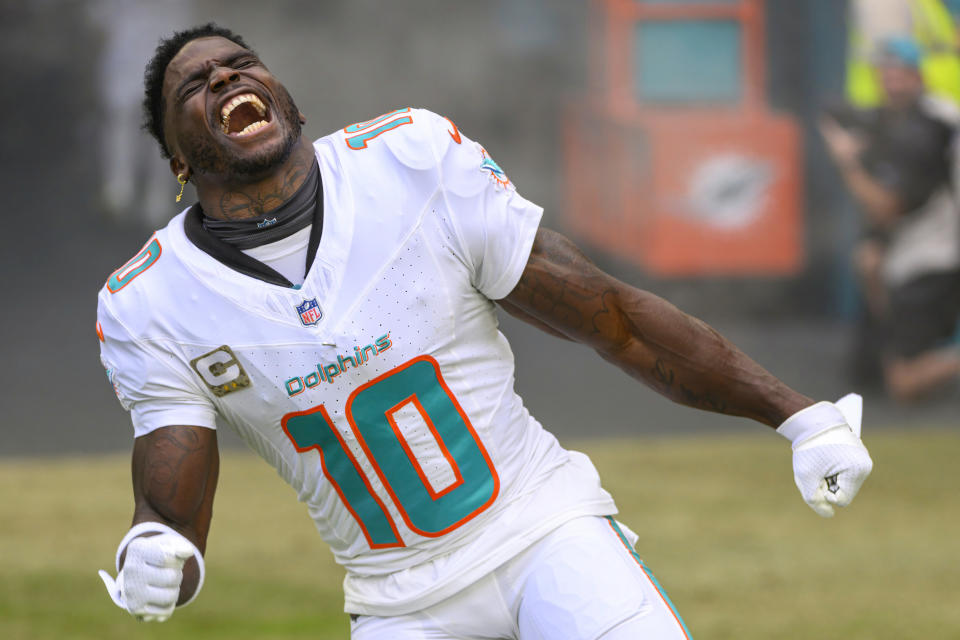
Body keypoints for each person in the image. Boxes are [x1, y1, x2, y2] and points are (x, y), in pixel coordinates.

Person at [96, 23, 873, 639]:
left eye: (239, 63)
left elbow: (612, 319)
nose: (224, 77)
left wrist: (799, 415)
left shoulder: (410, 160)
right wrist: (155, 557)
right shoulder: (150, 301)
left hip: (543, 531)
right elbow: (172, 515)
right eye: (193, 85)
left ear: (289, 103)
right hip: (400, 605)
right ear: (176, 157)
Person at [823, 36, 960, 401]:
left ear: (917, 75)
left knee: (903, 383)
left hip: (934, 255)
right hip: (915, 249)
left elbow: (885, 207)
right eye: (885, 72)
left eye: (899, 73)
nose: (891, 81)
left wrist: (848, 161)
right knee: (869, 263)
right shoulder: (898, 118)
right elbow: (835, 112)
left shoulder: (927, 127)